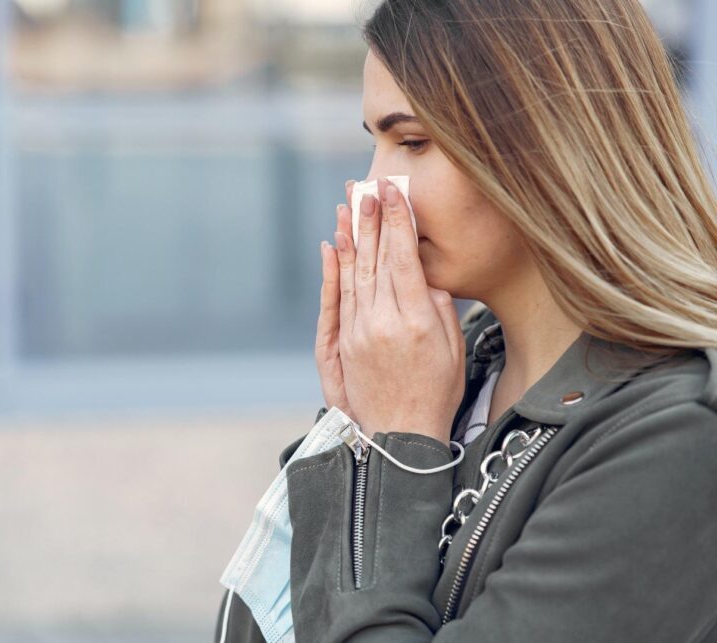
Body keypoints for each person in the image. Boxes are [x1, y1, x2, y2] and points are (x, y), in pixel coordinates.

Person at [215, 0, 717, 640]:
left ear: (550, 145)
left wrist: (393, 448)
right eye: (376, 144)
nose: (372, 190)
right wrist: (356, 430)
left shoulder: (680, 436)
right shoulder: (450, 371)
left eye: (414, 142)